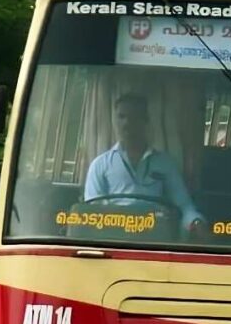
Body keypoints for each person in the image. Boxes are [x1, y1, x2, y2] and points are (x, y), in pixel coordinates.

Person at [84, 93, 205, 233]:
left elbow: (184, 206)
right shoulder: (99, 165)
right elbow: (92, 211)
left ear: (145, 121)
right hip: (112, 235)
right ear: (115, 121)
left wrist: (196, 222)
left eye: (134, 117)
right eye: (121, 117)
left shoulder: (165, 164)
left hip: (153, 236)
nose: (126, 123)